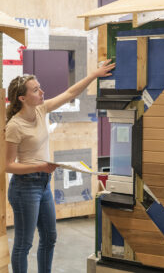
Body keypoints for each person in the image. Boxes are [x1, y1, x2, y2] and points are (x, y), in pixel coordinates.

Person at [5, 59, 115, 273]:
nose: (42, 92)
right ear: (22, 98)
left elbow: (70, 93)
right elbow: (8, 166)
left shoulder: (40, 110)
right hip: (24, 187)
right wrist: (39, 167)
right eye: (36, 90)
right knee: (24, 244)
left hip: (44, 184)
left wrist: (94, 74)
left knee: (49, 237)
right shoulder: (14, 126)